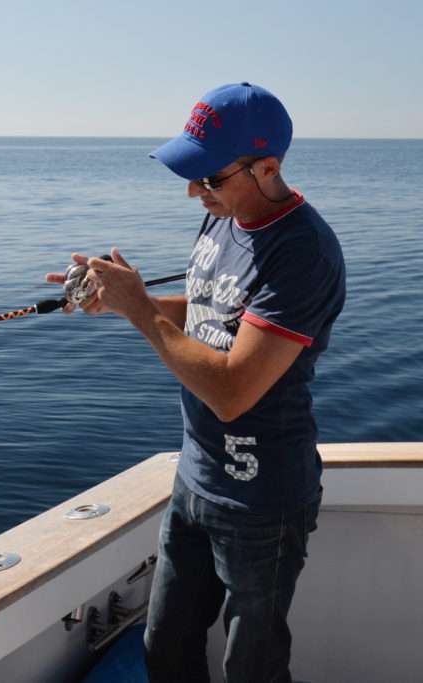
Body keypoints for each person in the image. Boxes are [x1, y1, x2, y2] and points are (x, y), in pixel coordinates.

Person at [46, 82, 346, 682]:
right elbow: (214, 305)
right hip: (196, 480)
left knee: (251, 669)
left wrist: (140, 311)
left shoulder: (304, 253)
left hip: (263, 499)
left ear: (268, 168)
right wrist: (130, 299)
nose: (193, 191)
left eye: (209, 178)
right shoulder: (225, 218)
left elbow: (233, 393)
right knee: (166, 650)